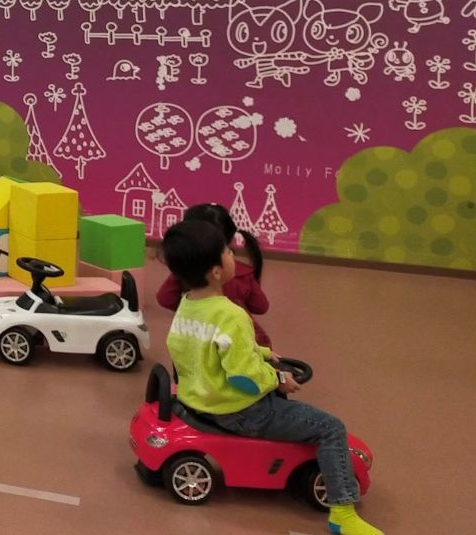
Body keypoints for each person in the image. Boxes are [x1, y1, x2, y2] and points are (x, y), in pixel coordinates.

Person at [161, 220, 381, 535]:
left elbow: (205, 349)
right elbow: (244, 380)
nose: (233, 255)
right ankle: (343, 514)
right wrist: (277, 379)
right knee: (331, 428)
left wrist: (261, 353)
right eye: (227, 251)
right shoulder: (231, 315)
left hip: (198, 399)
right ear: (216, 271)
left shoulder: (187, 304)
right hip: (240, 410)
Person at [157, 202, 270, 345]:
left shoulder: (185, 273)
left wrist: (194, 309)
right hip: (244, 344)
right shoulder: (243, 278)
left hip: (199, 339)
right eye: (228, 251)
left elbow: (164, 298)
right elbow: (261, 307)